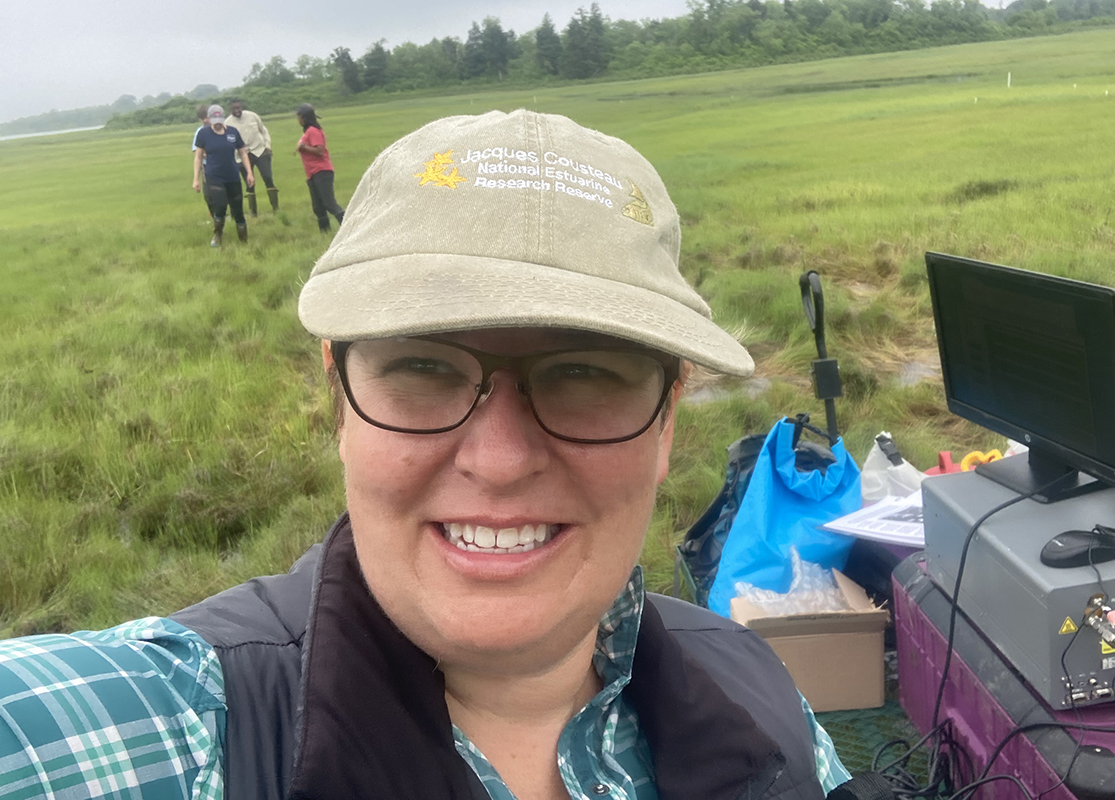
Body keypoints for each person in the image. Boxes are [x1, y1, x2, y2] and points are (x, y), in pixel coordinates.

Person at [0, 110, 851, 799]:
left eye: (585, 373)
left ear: (667, 421)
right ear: (340, 401)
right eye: (422, 368)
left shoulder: (757, 688)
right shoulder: (163, 729)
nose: (502, 458)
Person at [193, 104, 252, 247]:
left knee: (238, 209)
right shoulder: (203, 134)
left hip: (232, 175)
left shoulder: (232, 132)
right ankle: (217, 235)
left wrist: (249, 172)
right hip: (214, 176)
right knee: (220, 205)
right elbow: (198, 157)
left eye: (220, 120)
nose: (218, 124)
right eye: (215, 120)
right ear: (210, 119)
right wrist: (196, 179)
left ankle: (244, 241)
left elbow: (243, 152)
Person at [295, 102, 344, 232]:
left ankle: (347, 225)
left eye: (299, 117)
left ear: (304, 118)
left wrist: (303, 147)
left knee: (329, 203)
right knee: (318, 207)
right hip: (312, 173)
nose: (298, 120)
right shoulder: (308, 132)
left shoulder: (313, 131)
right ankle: (325, 232)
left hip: (321, 171)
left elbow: (320, 151)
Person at [230, 98, 278, 216]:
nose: (237, 111)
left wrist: (267, 146)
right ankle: (253, 212)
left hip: (259, 151)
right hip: (242, 156)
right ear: (230, 109)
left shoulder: (252, 116)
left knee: (268, 178)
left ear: (242, 107)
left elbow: (264, 131)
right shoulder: (228, 123)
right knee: (249, 183)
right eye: (234, 108)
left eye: (238, 108)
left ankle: (276, 209)